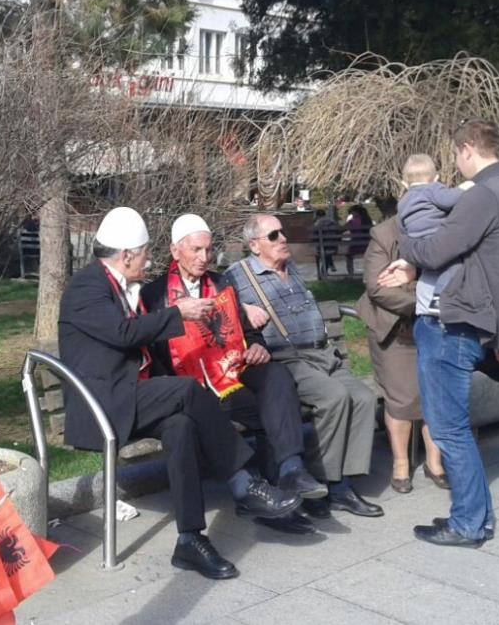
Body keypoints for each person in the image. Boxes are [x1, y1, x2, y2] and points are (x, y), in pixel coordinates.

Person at [58, 207, 301, 580]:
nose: (148, 260)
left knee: (181, 425)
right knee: (187, 391)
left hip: (129, 393)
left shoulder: (118, 285)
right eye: (142, 254)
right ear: (125, 256)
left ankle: (189, 540)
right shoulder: (87, 286)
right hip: (103, 403)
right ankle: (243, 484)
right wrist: (178, 313)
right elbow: (122, 334)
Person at [377, 119, 499, 548]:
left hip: (448, 324)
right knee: (452, 426)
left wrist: (407, 252)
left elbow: (438, 247)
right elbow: (497, 267)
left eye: (457, 156)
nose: (457, 166)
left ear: (467, 150)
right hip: (463, 321)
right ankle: (474, 516)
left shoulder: (482, 194)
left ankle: (468, 524)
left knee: (448, 428)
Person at [142, 214, 328, 535]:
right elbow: (153, 354)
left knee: (275, 379)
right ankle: (272, 503)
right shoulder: (154, 295)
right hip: (190, 390)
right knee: (263, 408)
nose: (204, 258)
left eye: (209, 250)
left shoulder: (221, 282)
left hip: (230, 375)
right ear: (175, 251)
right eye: (196, 250)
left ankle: (290, 472)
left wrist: (256, 346)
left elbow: (241, 326)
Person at [225, 214, 383, 519]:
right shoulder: (237, 275)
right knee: (334, 397)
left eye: (282, 233)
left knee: (363, 399)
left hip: (323, 353)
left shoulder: (291, 268)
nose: (283, 239)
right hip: (287, 358)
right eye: (273, 236)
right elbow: (215, 301)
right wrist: (242, 308)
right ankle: (328, 484)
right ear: (254, 245)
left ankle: (338, 483)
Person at [358, 208, 446, 494]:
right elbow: (378, 288)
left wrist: (414, 287)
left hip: (429, 324)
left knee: (434, 392)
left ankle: (435, 463)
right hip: (391, 326)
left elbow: (451, 280)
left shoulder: (441, 229)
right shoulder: (383, 234)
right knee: (401, 397)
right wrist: (424, 297)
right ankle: (400, 465)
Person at [395, 153, 472, 321]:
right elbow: (449, 200)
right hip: (435, 237)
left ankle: (435, 295)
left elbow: (401, 224)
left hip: (417, 241)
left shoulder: (403, 201)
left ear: (404, 183)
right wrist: (464, 188)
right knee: (453, 266)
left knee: (433, 269)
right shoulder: (433, 189)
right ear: (436, 178)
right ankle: (439, 297)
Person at [344, 204, 373, 275]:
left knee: (348, 256)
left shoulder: (352, 222)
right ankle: (370, 273)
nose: (351, 215)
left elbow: (340, 230)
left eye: (351, 213)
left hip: (356, 245)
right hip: (367, 245)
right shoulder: (368, 221)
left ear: (356, 212)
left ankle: (351, 274)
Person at [312, 208, 341, 275]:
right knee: (327, 253)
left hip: (322, 247)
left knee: (323, 251)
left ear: (317, 216)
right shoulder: (332, 221)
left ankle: (324, 271)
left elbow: (314, 236)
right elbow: (339, 232)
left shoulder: (317, 223)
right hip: (333, 246)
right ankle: (329, 266)